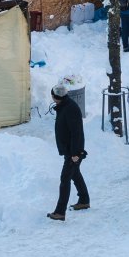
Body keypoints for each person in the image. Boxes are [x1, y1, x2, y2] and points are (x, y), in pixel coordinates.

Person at [47, 81, 89, 220]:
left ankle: (60, 212)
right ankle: (84, 200)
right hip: (70, 150)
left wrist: (76, 153)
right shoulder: (64, 106)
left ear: (55, 97)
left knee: (65, 178)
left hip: (73, 152)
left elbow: (76, 132)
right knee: (75, 174)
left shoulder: (70, 108)